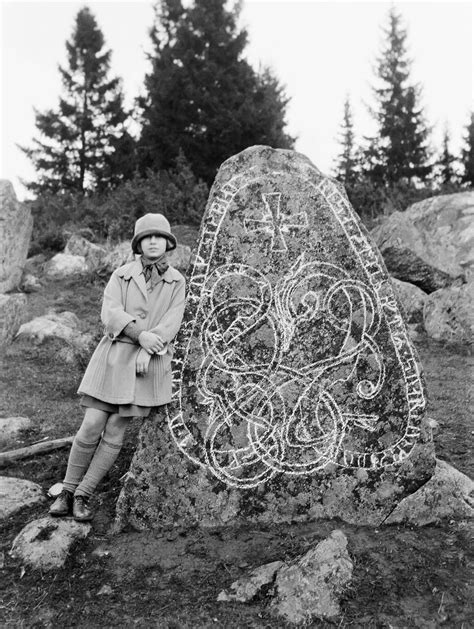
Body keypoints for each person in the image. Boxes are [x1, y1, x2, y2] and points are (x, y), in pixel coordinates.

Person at [49, 213, 186, 521]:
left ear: (167, 243)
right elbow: (110, 312)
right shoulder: (122, 275)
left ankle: (84, 493)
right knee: (91, 425)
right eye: (146, 237)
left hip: (146, 364)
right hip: (114, 359)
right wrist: (140, 334)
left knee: (115, 431)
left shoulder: (177, 281)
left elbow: (172, 321)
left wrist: (152, 345)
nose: (153, 241)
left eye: (158, 236)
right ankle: (67, 490)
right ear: (138, 244)